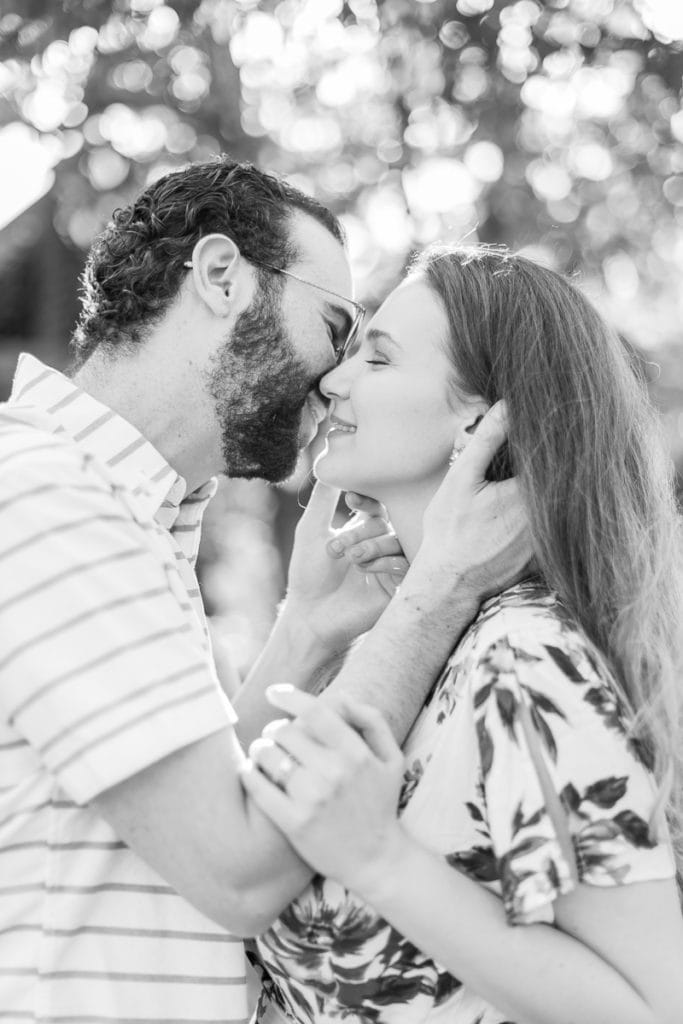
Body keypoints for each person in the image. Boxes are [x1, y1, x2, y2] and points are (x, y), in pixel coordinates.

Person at [0, 162, 529, 1023]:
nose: (332, 378)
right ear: (218, 276)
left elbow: (185, 817)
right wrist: (438, 593)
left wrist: (307, 632)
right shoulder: (51, 501)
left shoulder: (114, 514)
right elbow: (237, 873)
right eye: (335, 325)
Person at [243, 244, 683, 1024]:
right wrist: (304, 628)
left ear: (479, 417)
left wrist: (379, 860)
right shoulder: (408, 645)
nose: (331, 380)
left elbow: (652, 1006)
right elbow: (224, 855)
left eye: (376, 360)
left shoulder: (524, 654)